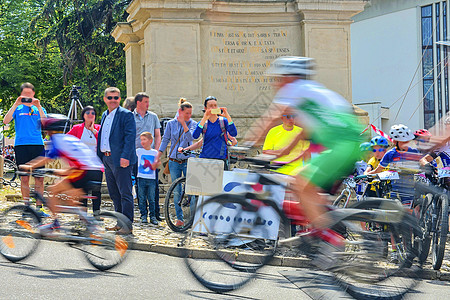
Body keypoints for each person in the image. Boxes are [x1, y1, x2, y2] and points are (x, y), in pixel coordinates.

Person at [243, 56, 364, 265]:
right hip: (345, 142)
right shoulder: (310, 96)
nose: (275, 83)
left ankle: (332, 240)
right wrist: (275, 155)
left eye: (278, 78)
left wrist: (246, 143)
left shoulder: (295, 88)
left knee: (300, 184)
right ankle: (320, 236)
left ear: (289, 77)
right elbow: (302, 135)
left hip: (342, 143)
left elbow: (271, 118)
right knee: (303, 187)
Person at [19, 114, 104, 232]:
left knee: (52, 190)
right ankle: (90, 225)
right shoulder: (69, 139)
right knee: (71, 197)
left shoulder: (57, 140)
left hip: (83, 170)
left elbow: (46, 158)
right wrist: (56, 171)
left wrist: (28, 166)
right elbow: (76, 164)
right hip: (94, 169)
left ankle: (55, 223)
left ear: (48, 130)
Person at [3, 82, 47, 216]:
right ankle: (27, 208)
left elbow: (45, 123)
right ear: (21, 95)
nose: (28, 96)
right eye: (25, 94)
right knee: (24, 178)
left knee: (39, 178)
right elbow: (6, 121)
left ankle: (39, 209)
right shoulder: (18, 108)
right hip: (21, 145)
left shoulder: (40, 108)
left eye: (30, 94)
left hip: (37, 145)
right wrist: (15, 104)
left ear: (33, 94)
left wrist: (38, 107)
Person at [154, 99, 197, 227]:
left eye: (190, 113)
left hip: (189, 160)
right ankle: (180, 219)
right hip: (174, 161)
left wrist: (184, 124)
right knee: (177, 190)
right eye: (187, 113)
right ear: (180, 112)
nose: (189, 116)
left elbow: (191, 138)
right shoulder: (171, 124)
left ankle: (193, 219)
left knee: (192, 190)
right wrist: (158, 156)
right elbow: (165, 140)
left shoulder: (193, 124)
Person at [97, 87, 136, 227]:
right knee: (114, 193)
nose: (113, 100)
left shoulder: (126, 115)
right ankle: (119, 223)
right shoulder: (104, 115)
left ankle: (127, 225)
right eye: (110, 97)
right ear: (105, 99)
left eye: (116, 98)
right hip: (107, 158)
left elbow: (130, 137)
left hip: (121, 159)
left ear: (120, 99)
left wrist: (125, 157)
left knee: (125, 193)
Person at [367, 124, 421, 206]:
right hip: (394, 189)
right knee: (393, 211)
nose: (407, 144)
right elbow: (378, 169)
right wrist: (367, 175)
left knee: (408, 211)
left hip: (409, 187)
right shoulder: (390, 154)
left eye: (408, 141)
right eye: (403, 142)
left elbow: (421, 163)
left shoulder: (414, 151)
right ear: (395, 142)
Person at [67, 106, 102, 215]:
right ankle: (83, 214)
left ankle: (96, 213)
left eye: (93, 113)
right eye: (88, 113)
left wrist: (94, 131)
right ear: (83, 115)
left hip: (96, 165)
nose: (91, 115)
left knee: (96, 190)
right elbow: (66, 140)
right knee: (82, 190)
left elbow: (104, 142)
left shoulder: (99, 128)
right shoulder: (77, 128)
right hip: (81, 165)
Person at [133, 92, 162, 220]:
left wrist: (157, 152)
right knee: (139, 186)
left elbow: (157, 135)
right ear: (138, 102)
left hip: (151, 156)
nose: (148, 104)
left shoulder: (153, 116)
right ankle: (143, 214)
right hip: (136, 156)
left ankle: (155, 214)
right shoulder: (130, 116)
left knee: (153, 186)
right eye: (145, 102)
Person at [191, 96, 237, 170]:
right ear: (205, 108)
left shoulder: (223, 121)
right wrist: (204, 118)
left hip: (221, 160)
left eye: (215, 105)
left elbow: (234, 133)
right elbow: (195, 136)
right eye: (211, 106)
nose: (213, 108)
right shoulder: (203, 123)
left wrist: (228, 116)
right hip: (205, 160)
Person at [136, 132, 159, 225]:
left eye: (144, 139)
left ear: (150, 141)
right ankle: (143, 216)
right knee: (141, 198)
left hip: (151, 179)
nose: (142, 142)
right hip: (140, 178)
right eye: (141, 140)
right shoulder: (138, 151)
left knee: (151, 198)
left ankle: (152, 216)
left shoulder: (155, 152)